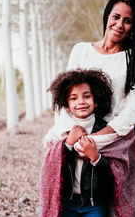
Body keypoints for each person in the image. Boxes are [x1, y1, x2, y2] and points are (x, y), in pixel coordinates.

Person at [41, 0, 135, 217]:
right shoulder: (81, 50)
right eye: (116, 17)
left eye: (128, 20)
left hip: (114, 139)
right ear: (107, 16)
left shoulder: (133, 60)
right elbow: (65, 96)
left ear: (134, 26)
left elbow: (133, 110)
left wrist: (95, 140)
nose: (119, 25)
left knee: (110, 204)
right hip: (75, 132)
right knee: (64, 194)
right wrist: (71, 136)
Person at [42, 68, 116, 216]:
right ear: (66, 105)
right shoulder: (60, 131)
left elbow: (115, 174)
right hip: (66, 202)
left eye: (87, 96)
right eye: (74, 98)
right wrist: (68, 143)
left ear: (96, 101)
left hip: (97, 203)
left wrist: (95, 157)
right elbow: (52, 167)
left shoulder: (108, 131)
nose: (81, 102)